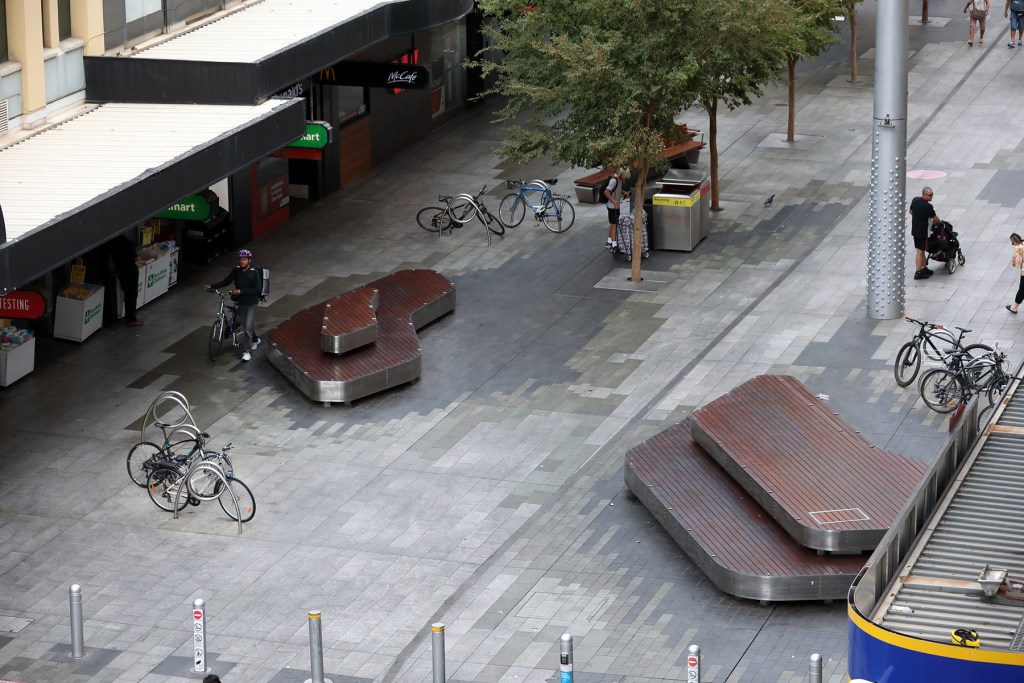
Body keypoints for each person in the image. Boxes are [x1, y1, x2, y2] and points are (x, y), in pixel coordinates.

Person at [203, 249, 262, 361]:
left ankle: (247, 351)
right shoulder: (236, 271)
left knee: (247, 327)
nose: (242, 261)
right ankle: (255, 339)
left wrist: (241, 291)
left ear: (249, 260)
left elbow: (257, 289)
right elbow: (226, 281)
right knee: (246, 325)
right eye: (240, 259)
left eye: (244, 259)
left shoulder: (254, 272)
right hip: (241, 303)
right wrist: (212, 286)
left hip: (251, 304)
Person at [107, 234, 144, 326]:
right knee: (132, 295)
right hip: (130, 271)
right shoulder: (127, 243)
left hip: (121, 271)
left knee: (127, 294)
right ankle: (131, 319)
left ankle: (129, 317)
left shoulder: (112, 242)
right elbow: (136, 258)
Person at [908, 187, 941, 280]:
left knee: (921, 250)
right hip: (923, 232)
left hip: (915, 230)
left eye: (932, 195)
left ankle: (924, 268)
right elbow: (935, 219)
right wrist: (939, 222)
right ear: (924, 194)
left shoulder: (915, 200)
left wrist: (918, 216)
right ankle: (918, 272)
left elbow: (911, 211)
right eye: (930, 195)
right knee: (920, 251)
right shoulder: (928, 206)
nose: (932, 197)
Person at [603, 167, 629, 250]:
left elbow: (618, 189)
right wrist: (613, 200)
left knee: (613, 223)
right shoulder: (613, 181)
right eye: (625, 176)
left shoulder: (619, 180)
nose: (625, 178)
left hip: (616, 206)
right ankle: (614, 245)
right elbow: (606, 192)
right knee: (614, 224)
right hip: (612, 206)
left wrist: (624, 193)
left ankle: (609, 241)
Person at [1007, 233, 1024, 313]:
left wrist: (1014, 259)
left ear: (1014, 241)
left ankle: (1014, 307)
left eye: (1012, 243)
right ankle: (1014, 306)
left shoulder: (1018, 248)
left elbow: (1016, 263)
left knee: (1022, 289)